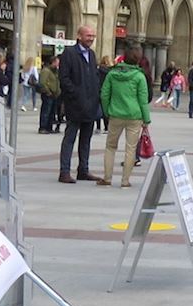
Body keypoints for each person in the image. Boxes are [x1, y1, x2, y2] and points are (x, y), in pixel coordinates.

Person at [97, 49, 150, 188]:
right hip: (134, 115)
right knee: (131, 148)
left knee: (110, 147)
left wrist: (107, 111)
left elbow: (104, 95)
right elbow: (143, 100)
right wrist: (146, 119)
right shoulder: (139, 76)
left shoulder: (112, 74)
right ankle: (125, 181)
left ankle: (107, 178)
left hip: (115, 114)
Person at [58, 24, 101, 183]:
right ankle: (64, 171)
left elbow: (94, 76)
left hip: (90, 104)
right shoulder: (69, 53)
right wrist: (75, 94)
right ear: (79, 36)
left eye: (92, 36)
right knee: (70, 138)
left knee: (86, 140)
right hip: (75, 105)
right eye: (88, 35)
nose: (91, 39)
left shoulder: (92, 54)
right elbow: (64, 78)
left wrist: (96, 95)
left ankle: (83, 170)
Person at [38, 55, 61, 133]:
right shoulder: (46, 71)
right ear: (53, 62)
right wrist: (48, 92)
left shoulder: (55, 71)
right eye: (57, 62)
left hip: (54, 95)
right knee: (46, 111)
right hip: (48, 94)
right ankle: (43, 127)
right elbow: (42, 83)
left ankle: (49, 127)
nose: (58, 64)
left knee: (51, 112)